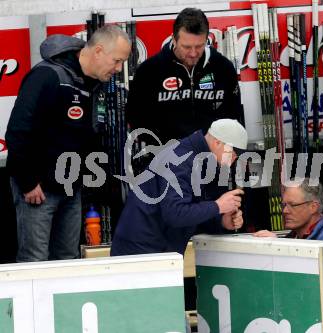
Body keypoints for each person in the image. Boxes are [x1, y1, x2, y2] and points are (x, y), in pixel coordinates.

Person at [5, 25, 132, 262]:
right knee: (35, 259)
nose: (118, 69)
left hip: (71, 189)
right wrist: (28, 181)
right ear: (98, 51)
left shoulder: (93, 85)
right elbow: (17, 131)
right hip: (38, 191)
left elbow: (89, 137)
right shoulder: (48, 75)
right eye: (116, 61)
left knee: (67, 259)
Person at [111, 119, 247, 256]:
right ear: (218, 142)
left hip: (155, 250)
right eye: (234, 153)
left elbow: (193, 210)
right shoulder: (180, 159)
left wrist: (222, 221)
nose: (234, 159)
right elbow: (175, 213)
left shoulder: (201, 160)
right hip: (139, 253)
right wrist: (218, 206)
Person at [126, 7, 244, 145]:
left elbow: (234, 117)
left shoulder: (223, 68)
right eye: (187, 47)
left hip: (213, 159)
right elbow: (135, 117)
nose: (193, 53)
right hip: (166, 160)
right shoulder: (149, 71)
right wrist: (162, 148)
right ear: (174, 40)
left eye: (199, 46)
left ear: (207, 39)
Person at [254, 179, 323, 333]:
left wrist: (280, 250)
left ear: (313, 206)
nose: (285, 211)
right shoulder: (294, 238)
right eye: (283, 204)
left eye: (292, 205)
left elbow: (308, 291)